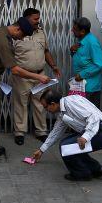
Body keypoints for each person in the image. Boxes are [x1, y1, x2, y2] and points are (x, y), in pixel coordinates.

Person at [0, 18, 51, 162]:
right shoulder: (3, 39)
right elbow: (15, 70)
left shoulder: (2, 33)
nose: (22, 39)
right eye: (23, 36)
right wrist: (38, 77)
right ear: (17, 29)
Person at [30, 92, 102, 181]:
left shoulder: (71, 103)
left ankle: (81, 173)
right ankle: (96, 169)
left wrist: (85, 137)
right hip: (95, 131)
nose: (45, 110)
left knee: (66, 147)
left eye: (45, 107)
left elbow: (94, 116)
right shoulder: (62, 113)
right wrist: (42, 150)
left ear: (53, 104)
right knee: (69, 144)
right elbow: (56, 132)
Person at [11, 8, 61, 146]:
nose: (38, 21)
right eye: (35, 19)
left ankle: (41, 131)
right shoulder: (16, 34)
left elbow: (46, 51)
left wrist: (54, 66)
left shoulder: (41, 32)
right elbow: (8, 56)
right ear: (26, 19)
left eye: (38, 18)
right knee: (21, 104)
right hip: (22, 76)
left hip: (40, 75)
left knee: (41, 103)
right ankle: (20, 132)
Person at [69, 17, 102, 108]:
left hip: (90, 87)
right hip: (81, 86)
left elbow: (100, 64)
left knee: (90, 115)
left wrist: (82, 74)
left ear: (83, 31)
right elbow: (82, 59)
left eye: (75, 29)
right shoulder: (82, 41)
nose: (72, 30)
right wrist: (72, 51)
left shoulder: (92, 42)